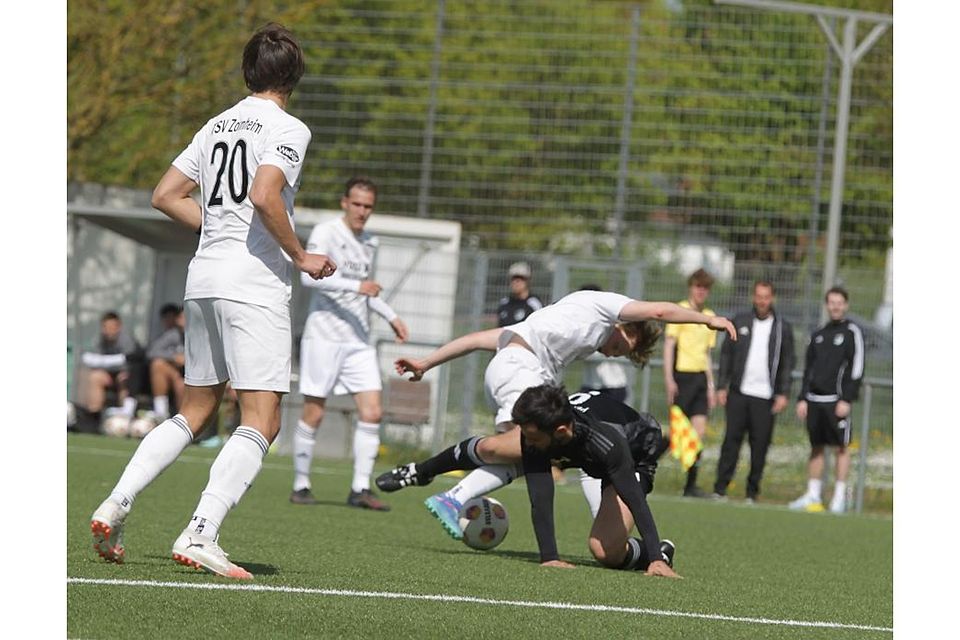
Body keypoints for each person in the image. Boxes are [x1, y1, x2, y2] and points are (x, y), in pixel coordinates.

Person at [89, 23, 336, 580]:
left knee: (195, 410)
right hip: (252, 284)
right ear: (294, 76)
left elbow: (164, 195)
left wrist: (216, 229)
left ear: (248, 72)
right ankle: (202, 532)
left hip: (203, 279)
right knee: (263, 417)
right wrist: (299, 255)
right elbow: (264, 193)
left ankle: (115, 504)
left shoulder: (217, 123)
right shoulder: (288, 127)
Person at [393, 288, 736, 536]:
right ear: (627, 327)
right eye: (621, 348)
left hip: (507, 369)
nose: (613, 353)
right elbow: (660, 312)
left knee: (546, 451)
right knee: (536, 450)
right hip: (522, 372)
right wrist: (707, 320)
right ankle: (450, 494)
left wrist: (426, 362)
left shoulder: (554, 318)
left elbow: (476, 339)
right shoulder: (606, 307)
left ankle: (431, 479)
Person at [377, 385, 679, 577]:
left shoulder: (607, 444)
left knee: (605, 551)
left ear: (560, 432)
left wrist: (655, 558)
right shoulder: (539, 436)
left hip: (636, 453)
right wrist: (550, 557)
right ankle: (421, 472)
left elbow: (634, 498)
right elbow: (541, 492)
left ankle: (661, 550)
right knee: (493, 447)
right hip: (577, 439)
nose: (526, 442)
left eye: (532, 436)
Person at [289, 176, 410, 510]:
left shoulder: (371, 241)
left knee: (372, 412)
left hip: (358, 340)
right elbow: (306, 276)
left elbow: (368, 290)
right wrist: (357, 288)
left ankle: (359, 489)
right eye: (356, 204)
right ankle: (301, 484)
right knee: (314, 413)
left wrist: (392, 316)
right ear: (344, 202)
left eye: (368, 206)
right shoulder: (327, 232)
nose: (362, 211)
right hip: (324, 337)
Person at [712, 280, 795, 503]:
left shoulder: (781, 327)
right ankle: (720, 489)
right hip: (739, 393)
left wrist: (783, 393)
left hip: (765, 397)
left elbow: (788, 362)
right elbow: (726, 354)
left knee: (759, 446)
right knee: (731, 442)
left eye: (766, 297)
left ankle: (751, 492)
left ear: (772, 298)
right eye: (758, 296)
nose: (761, 301)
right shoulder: (740, 321)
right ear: (753, 297)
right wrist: (722, 386)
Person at [789, 287, 864, 514]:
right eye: (832, 302)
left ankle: (839, 499)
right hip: (814, 400)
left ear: (846, 304)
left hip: (837, 401)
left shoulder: (852, 332)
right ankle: (813, 495)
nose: (835, 306)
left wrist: (847, 398)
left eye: (839, 302)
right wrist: (803, 398)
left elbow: (857, 367)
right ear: (827, 305)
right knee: (816, 447)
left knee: (841, 447)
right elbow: (808, 369)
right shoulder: (818, 334)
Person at [663, 268, 717, 498]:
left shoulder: (709, 315)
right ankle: (641, 467)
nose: (701, 292)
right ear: (690, 287)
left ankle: (690, 485)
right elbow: (669, 346)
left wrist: (711, 385)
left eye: (705, 288)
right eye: (698, 287)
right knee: (676, 435)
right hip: (681, 377)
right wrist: (669, 379)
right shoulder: (680, 310)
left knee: (699, 433)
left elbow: (707, 355)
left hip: (700, 380)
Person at [76, 311, 144, 423]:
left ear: (119, 327)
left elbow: (131, 363)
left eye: (112, 327)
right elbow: (89, 360)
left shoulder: (127, 341)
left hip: (126, 375)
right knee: (95, 377)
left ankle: (124, 418)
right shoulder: (98, 340)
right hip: (108, 374)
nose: (108, 331)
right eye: (105, 327)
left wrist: (104, 362)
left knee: (124, 378)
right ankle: (94, 417)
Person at [145, 303, 186, 421]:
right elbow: (152, 352)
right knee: (158, 364)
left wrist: (188, 359)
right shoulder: (173, 334)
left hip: (197, 376)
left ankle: (184, 421)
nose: (180, 320)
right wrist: (174, 357)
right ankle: (160, 412)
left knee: (181, 385)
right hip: (179, 373)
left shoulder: (202, 335)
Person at [497, 262, 543, 327]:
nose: (516, 282)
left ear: (528, 281)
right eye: (514, 279)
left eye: (521, 279)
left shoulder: (533, 304)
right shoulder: (504, 303)